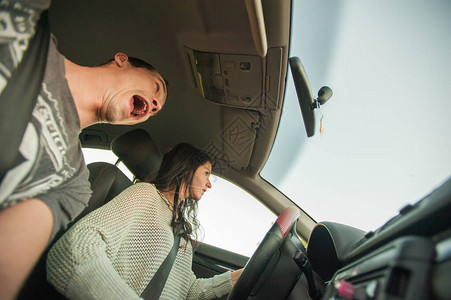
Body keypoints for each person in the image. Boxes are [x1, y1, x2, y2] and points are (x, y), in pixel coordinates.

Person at [0, 1, 168, 299]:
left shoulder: (73, 181)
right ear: (121, 60)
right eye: (155, 88)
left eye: (156, 111)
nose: (153, 105)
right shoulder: (27, 26)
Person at [47, 143, 242, 299]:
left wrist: (237, 276)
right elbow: (75, 250)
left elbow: (189, 290)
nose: (209, 183)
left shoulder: (180, 230)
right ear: (187, 169)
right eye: (206, 173)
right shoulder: (146, 194)